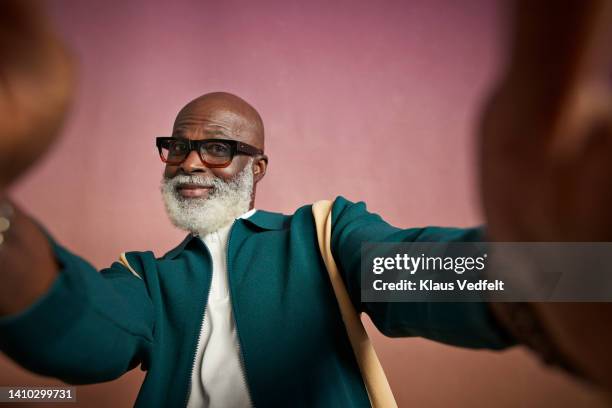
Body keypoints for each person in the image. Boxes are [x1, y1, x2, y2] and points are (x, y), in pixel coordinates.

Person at [1, 0, 611, 407]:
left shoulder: (320, 237)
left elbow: (410, 272)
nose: (188, 161)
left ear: (257, 167)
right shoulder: (147, 280)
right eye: (177, 147)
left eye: (216, 147)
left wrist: (561, 273)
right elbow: (81, 330)